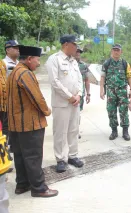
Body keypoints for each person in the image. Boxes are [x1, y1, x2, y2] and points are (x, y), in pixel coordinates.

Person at [7, 45, 58, 197]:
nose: (38, 63)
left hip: (16, 124)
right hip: (30, 124)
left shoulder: (14, 72)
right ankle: (39, 188)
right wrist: (47, 111)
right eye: (37, 60)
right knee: (33, 157)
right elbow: (37, 97)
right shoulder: (25, 73)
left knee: (20, 156)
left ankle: (22, 184)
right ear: (29, 59)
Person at [46, 35, 84, 173]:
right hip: (62, 103)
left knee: (74, 130)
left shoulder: (74, 61)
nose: (77, 48)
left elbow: (79, 79)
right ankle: (60, 159)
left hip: (75, 102)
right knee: (60, 132)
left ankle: (73, 155)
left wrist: (79, 94)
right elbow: (54, 82)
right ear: (67, 44)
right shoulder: (54, 59)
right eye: (75, 45)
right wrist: (70, 97)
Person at [100, 44, 131, 141]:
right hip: (110, 92)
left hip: (122, 92)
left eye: (118, 50)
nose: (116, 52)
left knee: (124, 111)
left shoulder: (125, 63)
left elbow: (129, 77)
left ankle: (125, 132)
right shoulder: (107, 63)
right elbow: (102, 77)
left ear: (121, 52)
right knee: (111, 111)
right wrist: (101, 90)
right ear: (111, 51)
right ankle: (114, 131)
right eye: (114, 50)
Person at [0, 40, 20, 173]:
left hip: (16, 103)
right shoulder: (3, 64)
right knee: (6, 129)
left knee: (14, 129)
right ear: (8, 50)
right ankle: (5, 158)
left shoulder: (19, 64)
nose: (18, 50)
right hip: (5, 104)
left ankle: (12, 149)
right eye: (15, 48)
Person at [75, 46, 90, 139]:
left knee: (77, 113)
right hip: (69, 94)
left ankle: (76, 131)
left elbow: (87, 80)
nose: (78, 53)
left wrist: (88, 94)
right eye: (76, 51)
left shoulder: (83, 65)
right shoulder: (67, 64)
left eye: (79, 52)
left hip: (80, 94)